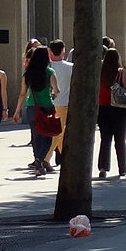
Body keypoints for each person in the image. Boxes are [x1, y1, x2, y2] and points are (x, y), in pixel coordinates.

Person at [96, 46, 126, 178]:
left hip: (103, 108)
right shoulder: (120, 73)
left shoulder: (99, 72)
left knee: (105, 139)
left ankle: (103, 168)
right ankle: (122, 168)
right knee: (120, 140)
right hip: (120, 109)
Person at [22, 45, 58, 176]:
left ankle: (37, 160)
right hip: (47, 106)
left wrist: (16, 111)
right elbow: (56, 90)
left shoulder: (28, 73)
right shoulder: (50, 72)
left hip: (32, 106)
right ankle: (40, 159)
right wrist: (52, 96)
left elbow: (22, 93)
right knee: (48, 135)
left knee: (36, 135)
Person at [48, 39, 74, 168]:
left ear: (50, 52)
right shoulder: (71, 67)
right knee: (59, 132)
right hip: (65, 102)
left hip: (52, 102)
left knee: (58, 132)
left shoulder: (48, 68)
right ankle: (46, 158)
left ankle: (65, 157)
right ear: (63, 51)